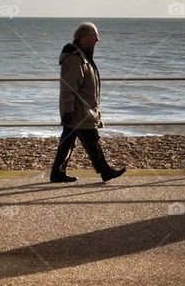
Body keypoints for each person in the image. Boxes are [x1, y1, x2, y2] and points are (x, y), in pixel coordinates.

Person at [49, 22, 127, 184]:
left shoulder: (82, 56)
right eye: (93, 36)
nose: (97, 40)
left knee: (68, 141)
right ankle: (105, 171)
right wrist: (68, 111)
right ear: (82, 38)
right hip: (79, 111)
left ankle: (57, 173)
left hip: (82, 110)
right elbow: (68, 87)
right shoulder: (75, 59)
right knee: (92, 140)